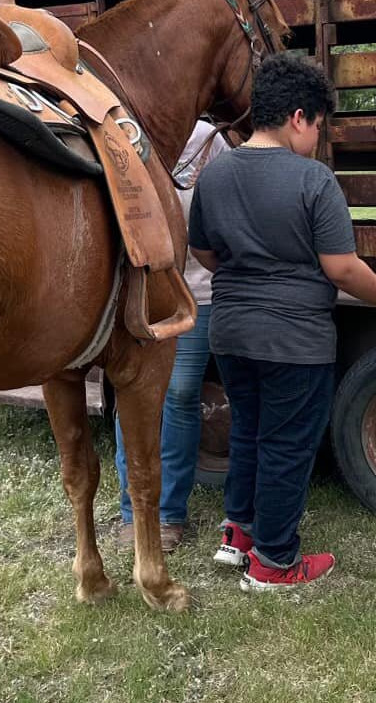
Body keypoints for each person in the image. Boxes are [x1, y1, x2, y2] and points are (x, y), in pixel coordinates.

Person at [188, 53, 376, 590]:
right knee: (286, 444)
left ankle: (239, 535)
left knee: (248, 429)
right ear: (299, 116)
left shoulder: (216, 173)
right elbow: (341, 267)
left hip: (230, 332)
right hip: (293, 340)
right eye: (318, 125)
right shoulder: (313, 181)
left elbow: (204, 252)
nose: (318, 138)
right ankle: (275, 563)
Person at [116, 120, 230, 552]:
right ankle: (132, 511)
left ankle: (167, 513)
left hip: (195, 289)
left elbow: (222, 210)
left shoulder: (208, 140)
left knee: (181, 395)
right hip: (138, 293)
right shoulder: (123, 125)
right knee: (132, 395)